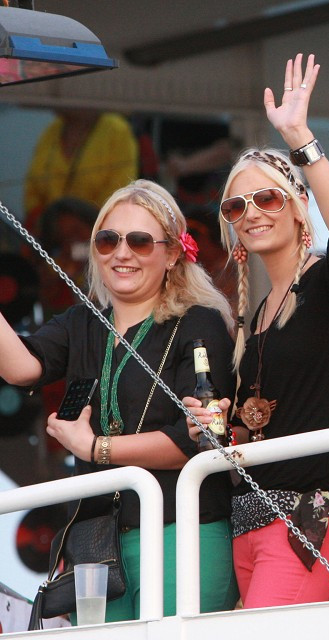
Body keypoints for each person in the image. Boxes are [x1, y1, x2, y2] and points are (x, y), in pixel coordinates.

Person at [0, 179, 238, 620]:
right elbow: (19, 366)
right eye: (108, 240)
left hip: (181, 531)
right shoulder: (83, 323)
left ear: (172, 253)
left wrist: (95, 449)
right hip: (96, 544)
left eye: (140, 241)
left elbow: (197, 441)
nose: (121, 253)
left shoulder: (198, 324)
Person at [187, 54, 329, 607]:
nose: (252, 213)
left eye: (268, 197)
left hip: (309, 518)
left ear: (298, 206)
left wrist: (301, 140)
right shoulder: (255, 310)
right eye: (236, 205)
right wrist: (214, 423)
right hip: (249, 523)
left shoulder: (328, 285)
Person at [23, 110, 138, 231]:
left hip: (98, 235)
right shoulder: (52, 130)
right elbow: (32, 192)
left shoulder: (117, 131)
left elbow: (120, 193)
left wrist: (82, 229)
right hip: (50, 236)